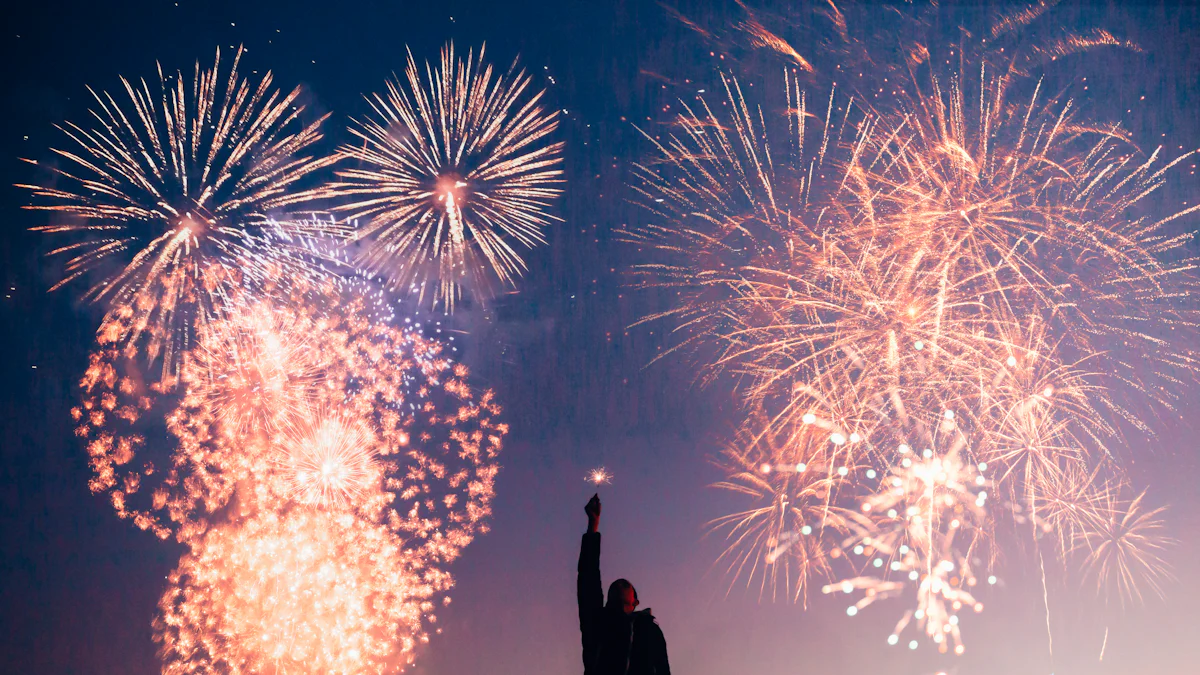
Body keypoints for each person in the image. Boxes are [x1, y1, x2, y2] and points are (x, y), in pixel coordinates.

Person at [577, 493, 670, 675]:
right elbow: (588, 579)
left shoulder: (650, 630)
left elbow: (663, 669)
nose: (620, 583)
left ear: (635, 601)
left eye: (625, 584)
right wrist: (592, 527)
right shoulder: (597, 622)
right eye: (616, 584)